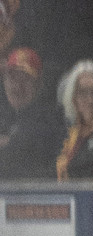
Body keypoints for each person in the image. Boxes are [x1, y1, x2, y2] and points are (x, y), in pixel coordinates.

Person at [0, 46, 61, 179]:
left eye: (25, 79)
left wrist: (9, 144)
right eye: (13, 78)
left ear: (39, 85)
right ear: (4, 81)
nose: (17, 86)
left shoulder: (50, 121)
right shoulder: (4, 116)